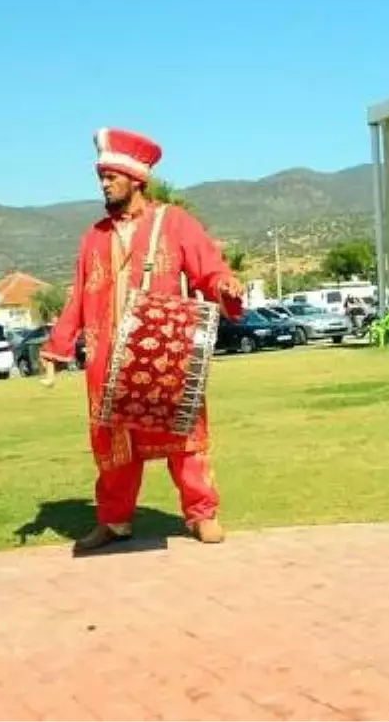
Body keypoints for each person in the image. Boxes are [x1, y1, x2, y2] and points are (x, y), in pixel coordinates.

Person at [40, 127, 245, 550]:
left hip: (164, 353)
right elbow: (78, 295)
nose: (104, 184)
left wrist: (225, 284)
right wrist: (57, 348)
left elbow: (208, 268)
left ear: (135, 179)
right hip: (106, 357)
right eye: (101, 177)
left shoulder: (174, 222)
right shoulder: (93, 236)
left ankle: (201, 514)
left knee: (183, 438)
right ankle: (114, 520)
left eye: (111, 176)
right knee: (113, 445)